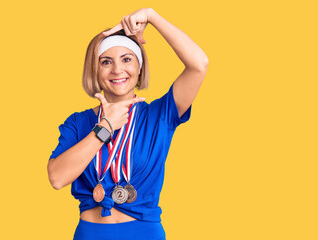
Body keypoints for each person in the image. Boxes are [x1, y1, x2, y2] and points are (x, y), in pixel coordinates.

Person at [47, 8, 208, 240]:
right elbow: (57, 178)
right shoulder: (78, 122)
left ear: (139, 67)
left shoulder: (160, 114)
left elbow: (199, 64)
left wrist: (152, 16)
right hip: (91, 233)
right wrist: (104, 128)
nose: (117, 70)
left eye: (127, 59)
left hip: (144, 233)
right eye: (106, 62)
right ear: (95, 69)